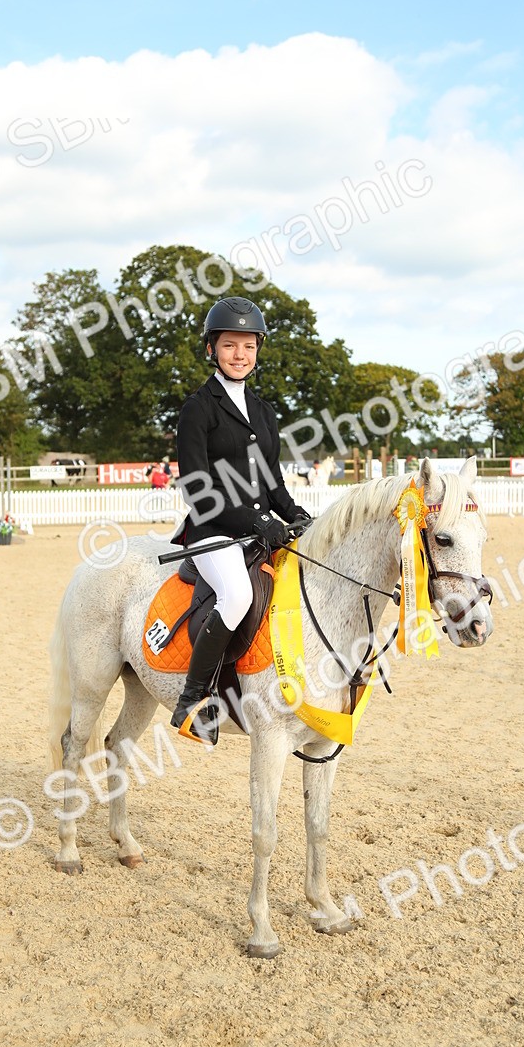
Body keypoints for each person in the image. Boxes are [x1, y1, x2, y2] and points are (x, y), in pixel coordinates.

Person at [169, 296, 312, 744]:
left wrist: (296, 515)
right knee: (235, 597)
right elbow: (197, 488)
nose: (240, 355)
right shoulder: (199, 408)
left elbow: (272, 480)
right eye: (230, 346)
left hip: (256, 531)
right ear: (212, 349)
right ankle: (193, 700)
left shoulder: (264, 411)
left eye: (248, 347)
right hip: (212, 531)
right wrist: (256, 521)